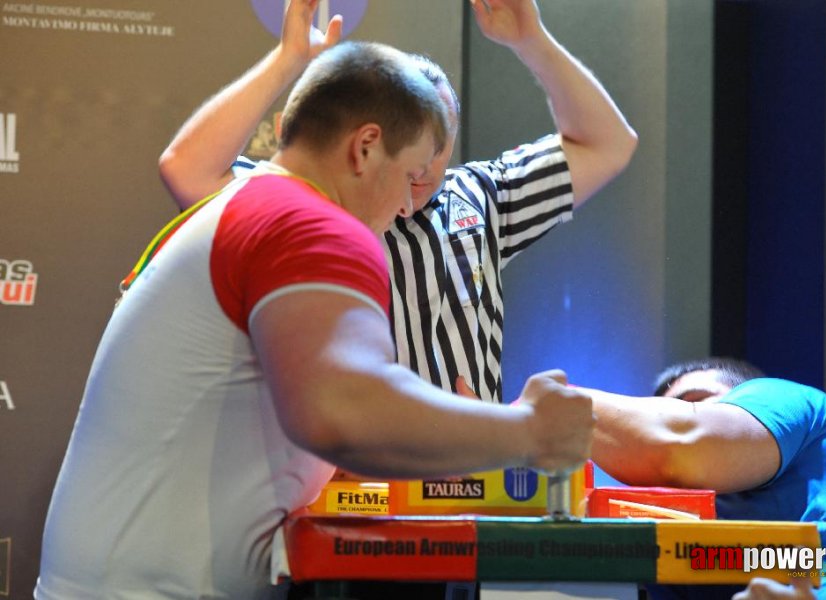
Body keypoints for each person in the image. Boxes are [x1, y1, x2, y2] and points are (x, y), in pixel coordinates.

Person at [35, 41, 595, 600]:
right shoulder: (307, 224)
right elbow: (346, 412)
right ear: (366, 148)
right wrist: (529, 432)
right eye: (411, 174)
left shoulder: (250, 206)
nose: (406, 206)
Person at [157, 0, 638, 405]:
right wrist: (288, 60)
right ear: (368, 143)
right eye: (409, 161)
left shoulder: (479, 195)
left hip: (466, 483)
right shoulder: (306, 203)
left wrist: (531, 41)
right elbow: (188, 171)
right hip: (344, 480)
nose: (420, 176)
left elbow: (609, 144)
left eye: (434, 153)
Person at [584, 357, 826, 600]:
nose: (671, 417)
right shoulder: (672, 533)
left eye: (694, 404)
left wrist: (561, 405)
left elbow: (681, 446)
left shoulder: (790, 399)